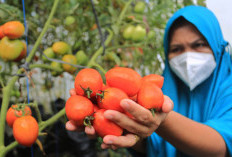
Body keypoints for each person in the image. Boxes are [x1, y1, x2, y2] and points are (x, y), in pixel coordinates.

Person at [66, 5, 232, 157]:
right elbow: (152, 145)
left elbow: (221, 146)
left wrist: (162, 121)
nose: (188, 57)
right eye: (176, 49)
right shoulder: (159, 88)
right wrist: (129, 129)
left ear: (217, 46)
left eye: (199, 45)